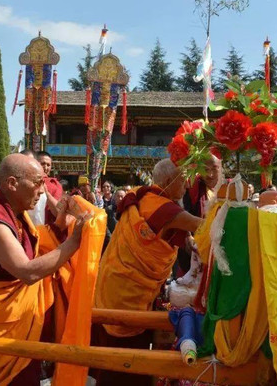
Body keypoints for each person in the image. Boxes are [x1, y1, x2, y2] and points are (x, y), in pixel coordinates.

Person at [0, 154, 86, 385]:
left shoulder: (13, 214)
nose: (43, 190)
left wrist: (60, 224)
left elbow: (36, 241)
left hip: (13, 328)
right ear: (12, 183)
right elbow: (26, 271)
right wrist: (75, 241)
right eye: (37, 182)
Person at [93, 159, 203, 386]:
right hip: (130, 293)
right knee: (128, 363)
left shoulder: (140, 196)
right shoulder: (166, 209)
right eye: (183, 180)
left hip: (114, 281)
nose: (186, 185)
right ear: (169, 181)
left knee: (112, 358)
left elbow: (165, 236)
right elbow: (205, 225)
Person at [35, 150, 64, 226]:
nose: (45, 167)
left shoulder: (55, 184)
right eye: (42, 164)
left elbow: (59, 211)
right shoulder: (27, 181)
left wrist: (47, 194)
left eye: (48, 165)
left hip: (48, 228)